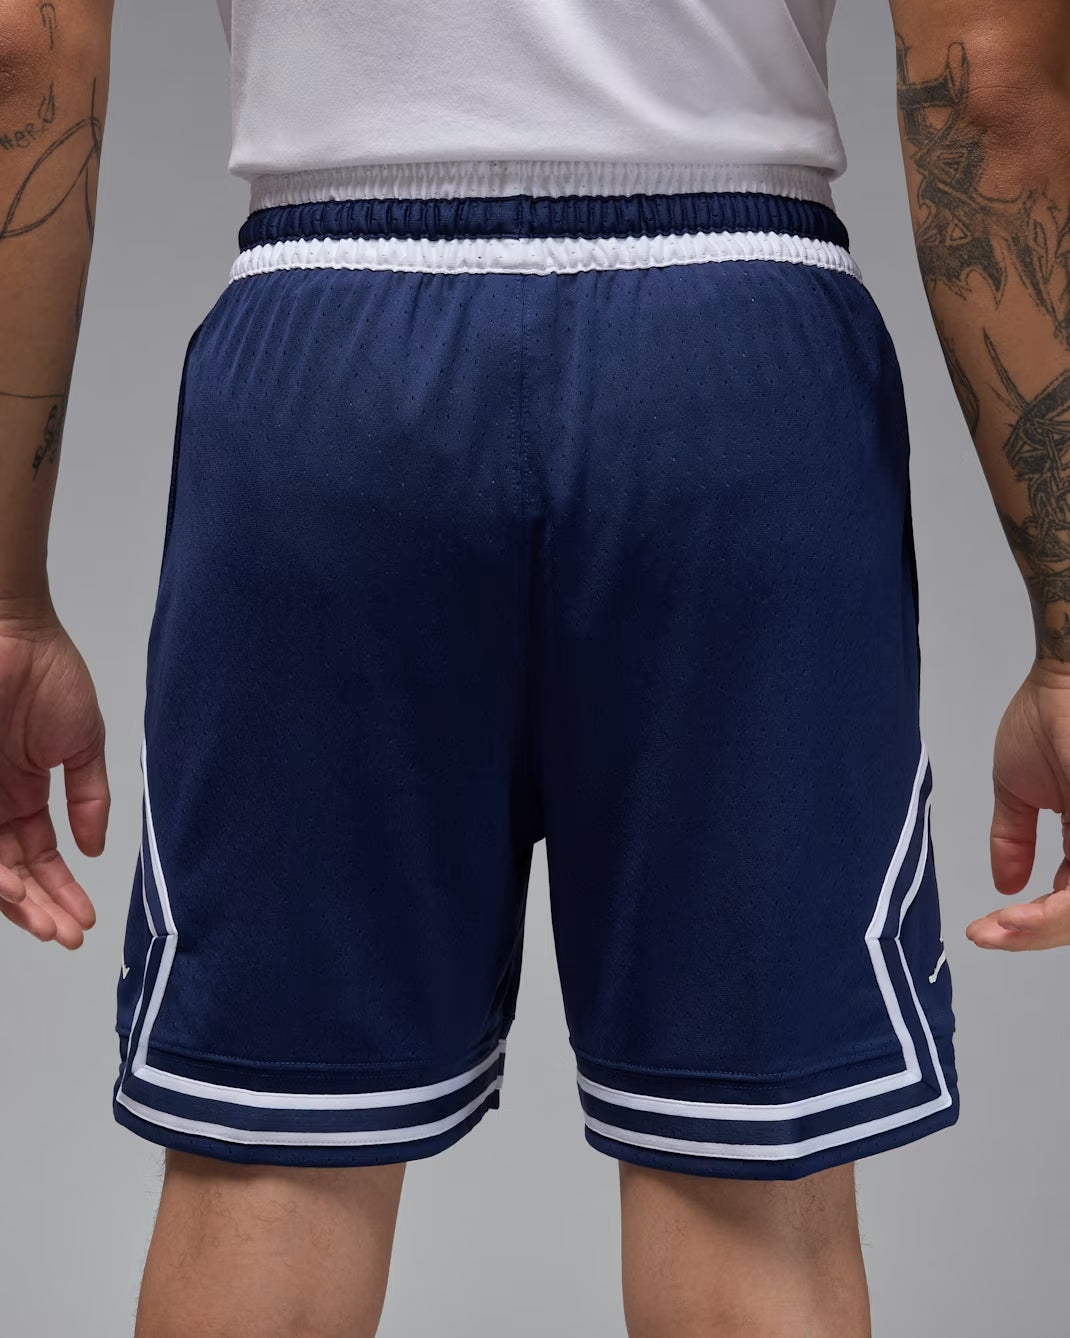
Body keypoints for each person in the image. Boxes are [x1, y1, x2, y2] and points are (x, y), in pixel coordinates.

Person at [0, 0, 1066, 1333]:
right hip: (732, 362)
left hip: (331, 362)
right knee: (755, 1198)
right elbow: (992, 89)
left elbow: (21, 56)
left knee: (267, 1171)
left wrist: (6, 606)